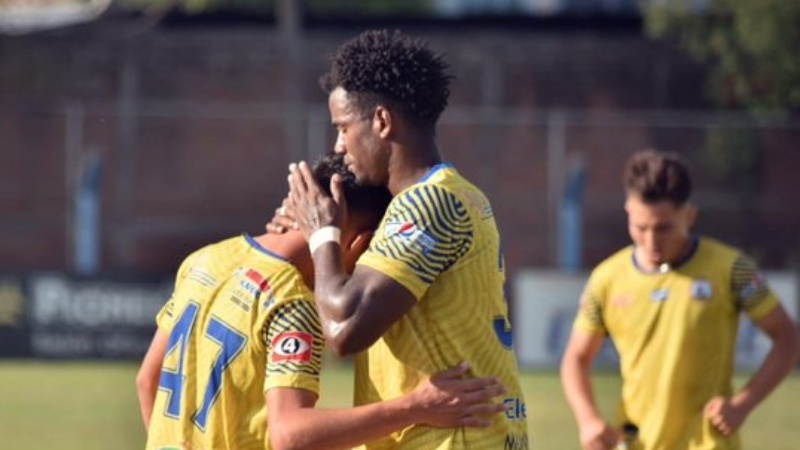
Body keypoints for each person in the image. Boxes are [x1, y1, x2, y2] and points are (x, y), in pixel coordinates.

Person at [135, 154, 508, 450]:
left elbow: (148, 381)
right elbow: (291, 434)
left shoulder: (205, 259)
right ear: (362, 243)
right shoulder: (290, 304)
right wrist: (416, 407)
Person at [276, 29, 529, 449]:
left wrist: (322, 233)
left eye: (343, 128)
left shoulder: (430, 202)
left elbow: (345, 328)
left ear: (382, 121)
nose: (338, 146)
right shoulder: (444, 196)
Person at [559, 149, 800, 450]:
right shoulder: (606, 279)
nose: (651, 241)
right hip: (637, 443)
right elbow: (576, 358)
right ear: (628, 211)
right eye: (640, 228)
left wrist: (742, 404)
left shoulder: (731, 269)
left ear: (689, 215)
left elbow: (788, 338)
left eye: (664, 228)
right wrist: (587, 420)